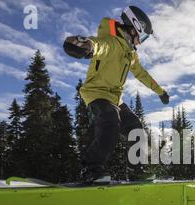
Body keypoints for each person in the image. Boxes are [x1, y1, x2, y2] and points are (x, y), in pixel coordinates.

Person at [63, 6, 169, 183]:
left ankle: (136, 170)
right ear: (134, 27)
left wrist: (161, 91)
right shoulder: (111, 42)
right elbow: (99, 45)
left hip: (115, 99)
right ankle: (92, 169)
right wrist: (86, 46)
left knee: (136, 127)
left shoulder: (130, 54)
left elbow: (141, 73)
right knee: (110, 123)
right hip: (97, 93)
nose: (140, 43)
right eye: (141, 37)